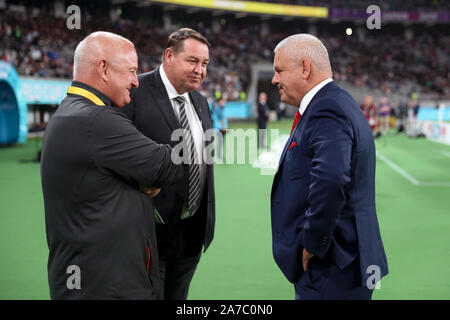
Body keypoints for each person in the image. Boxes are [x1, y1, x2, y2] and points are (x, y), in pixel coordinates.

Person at [40, 31, 184, 299]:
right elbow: (169, 165)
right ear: (103, 69)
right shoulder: (97, 121)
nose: (135, 81)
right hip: (106, 286)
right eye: (130, 71)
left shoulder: (70, 112)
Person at [270, 34, 388, 300]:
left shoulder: (327, 109)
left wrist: (312, 243)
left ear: (305, 68)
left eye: (279, 71)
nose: (274, 79)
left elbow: (331, 180)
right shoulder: (335, 103)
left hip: (333, 265)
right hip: (340, 264)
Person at [121, 28, 215, 300]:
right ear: (169, 55)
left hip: (192, 234)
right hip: (150, 234)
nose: (200, 70)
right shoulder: (134, 92)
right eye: (193, 61)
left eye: (205, 64)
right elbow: (114, 154)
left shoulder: (200, 101)